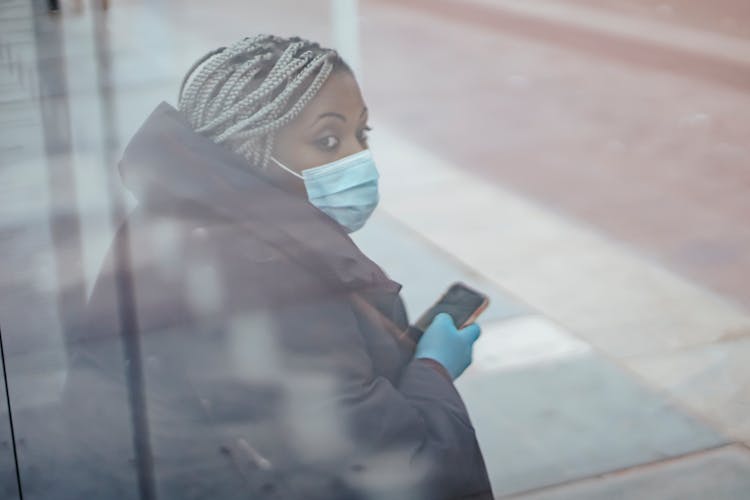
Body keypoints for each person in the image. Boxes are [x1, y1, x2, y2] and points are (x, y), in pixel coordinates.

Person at [60, 35, 493, 500]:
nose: (358, 158)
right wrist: (432, 368)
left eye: (361, 134)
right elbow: (390, 466)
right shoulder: (262, 273)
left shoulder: (180, 211)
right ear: (250, 150)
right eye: (327, 140)